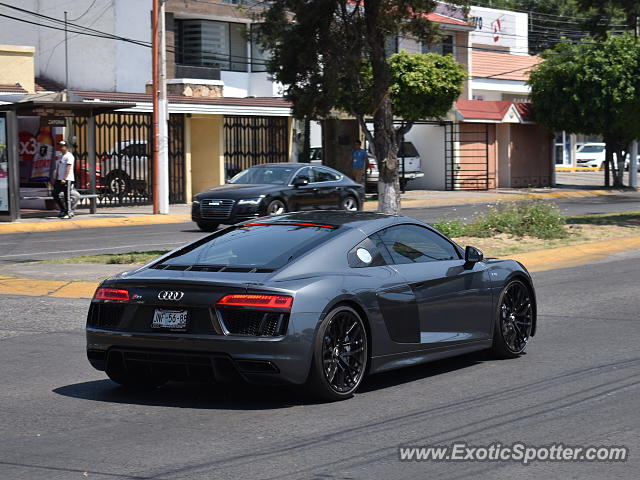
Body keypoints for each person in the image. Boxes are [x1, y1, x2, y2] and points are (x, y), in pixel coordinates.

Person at [52, 140, 75, 219]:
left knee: (66, 196)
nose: (60, 148)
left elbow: (68, 168)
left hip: (67, 179)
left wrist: (64, 178)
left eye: (62, 146)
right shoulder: (60, 156)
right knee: (55, 193)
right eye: (60, 146)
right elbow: (58, 167)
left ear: (66, 147)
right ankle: (63, 210)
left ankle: (69, 212)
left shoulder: (69, 156)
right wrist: (56, 177)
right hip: (59, 179)